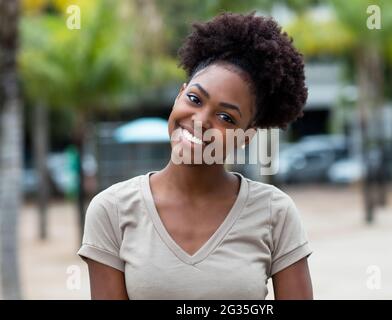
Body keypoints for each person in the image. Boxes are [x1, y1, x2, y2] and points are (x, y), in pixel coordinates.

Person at [77, 11, 313, 300]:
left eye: (226, 117)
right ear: (179, 95)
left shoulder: (275, 212)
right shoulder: (112, 210)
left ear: (247, 136)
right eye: (194, 99)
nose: (200, 120)